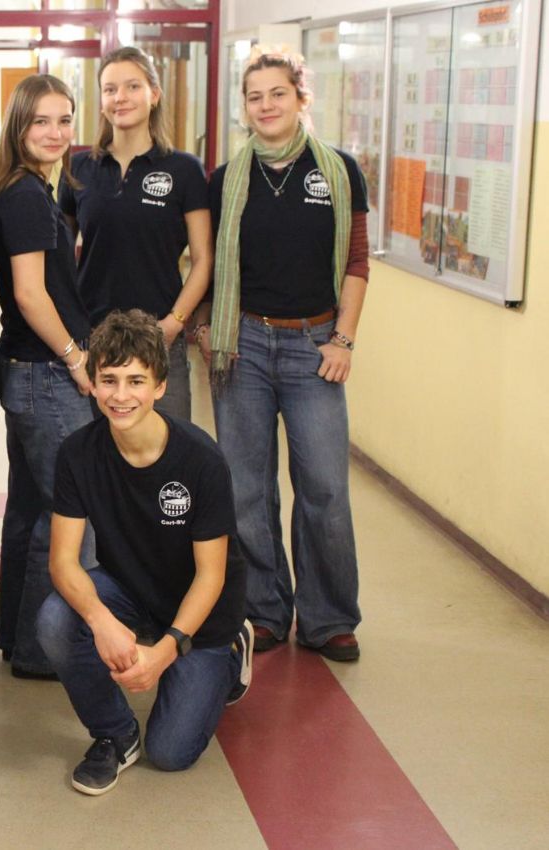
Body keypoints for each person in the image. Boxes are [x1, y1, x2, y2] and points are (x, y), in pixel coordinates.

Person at [37, 309, 253, 796]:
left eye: (136, 381)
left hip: (203, 611)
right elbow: (63, 562)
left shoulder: (201, 459)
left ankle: (230, 651)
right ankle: (115, 734)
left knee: (171, 753)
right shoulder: (78, 454)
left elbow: (211, 576)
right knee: (56, 619)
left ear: (160, 386)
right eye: (109, 380)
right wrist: (101, 621)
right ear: (92, 384)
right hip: (132, 591)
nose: (120, 395)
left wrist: (166, 650)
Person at [204, 50, 369, 662]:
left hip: (314, 346)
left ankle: (329, 618)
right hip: (243, 344)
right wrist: (208, 327)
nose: (266, 105)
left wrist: (343, 340)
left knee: (323, 488)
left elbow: (356, 263)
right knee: (246, 490)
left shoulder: (340, 170)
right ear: (244, 107)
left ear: (302, 97)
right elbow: (211, 263)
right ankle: (264, 609)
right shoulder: (226, 178)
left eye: (278, 93)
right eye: (255, 96)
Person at [0, 74, 96, 679]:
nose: (55, 133)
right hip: (46, 373)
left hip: (29, 371)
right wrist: (76, 359)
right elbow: (30, 295)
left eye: (64, 120)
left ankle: (20, 639)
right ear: (19, 126)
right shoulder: (26, 195)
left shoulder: (31, 187)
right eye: (41, 121)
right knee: (68, 515)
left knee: (31, 511)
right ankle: (42, 649)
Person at [59, 46, 212, 420]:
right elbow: (59, 258)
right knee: (96, 449)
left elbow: (204, 258)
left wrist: (173, 324)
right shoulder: (79, 167)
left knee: (168, 446)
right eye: (110, 89)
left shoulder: (184, 169)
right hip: (95, 339)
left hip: (160, 340)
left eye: (132, 86)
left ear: (154, 94)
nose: (120, 97)